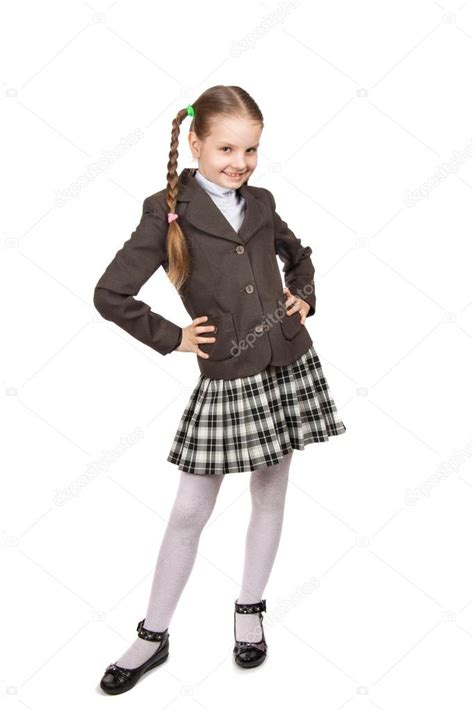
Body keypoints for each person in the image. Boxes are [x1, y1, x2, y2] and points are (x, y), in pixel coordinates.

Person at [93, 85, 346, 694]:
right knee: (190, 511)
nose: (240, 162)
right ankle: (153, 634)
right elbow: (110, 294)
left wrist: (303, 295)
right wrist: (172, 337)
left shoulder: (260, 201)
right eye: (227, 147)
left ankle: (250, 609)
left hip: (285, 361)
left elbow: (298, 255)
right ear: (196, 142)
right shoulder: (166, 210)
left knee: (271, 492)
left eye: (252, 149)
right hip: (228, 376)